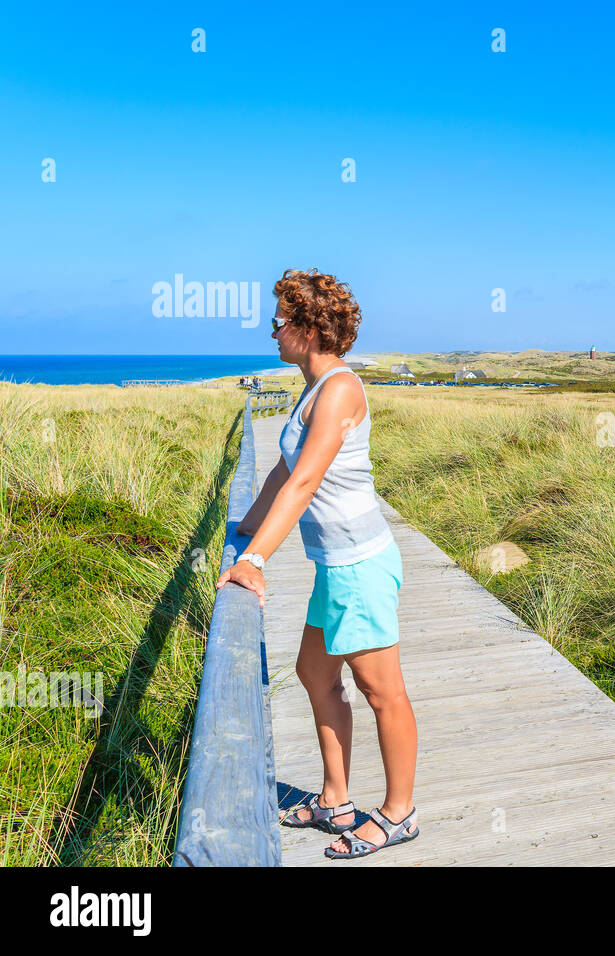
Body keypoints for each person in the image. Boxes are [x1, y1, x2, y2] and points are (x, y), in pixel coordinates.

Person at [216, 268, 418, 860]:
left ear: (307, 327)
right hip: (336, 566)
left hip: (361, 566)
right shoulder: (311, 388)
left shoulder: (339, 389)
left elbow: (305, 481)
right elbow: (285, 469)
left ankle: (400, 813)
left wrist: (253, 559)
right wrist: (247, 526)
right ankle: (336, 800)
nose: (271, 333)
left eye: (278, 322)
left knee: (385, 694)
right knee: (315, 673)